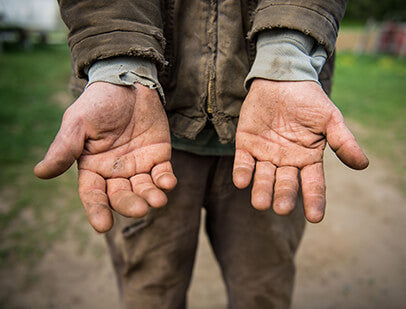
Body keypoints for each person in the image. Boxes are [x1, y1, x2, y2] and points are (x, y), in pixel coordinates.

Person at [34, 1, 369, 308]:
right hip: (145, 139)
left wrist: (288, 58)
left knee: (263, 295)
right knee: (151, 297)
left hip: (274, 143)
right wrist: (120, 68)